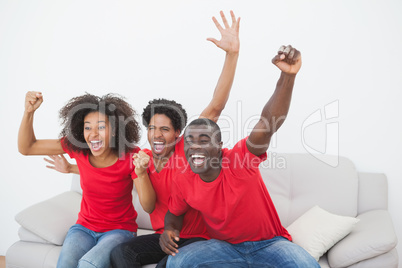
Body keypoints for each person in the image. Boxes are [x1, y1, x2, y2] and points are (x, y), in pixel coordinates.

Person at [46, 10, 241, 268]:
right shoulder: (142, 158)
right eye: (152, 128)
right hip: (162, 236)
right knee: (122, 255)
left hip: (195, 238)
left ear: (177, 134)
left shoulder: (186, 149)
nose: (156, 135)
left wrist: (232, 55)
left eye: (164, 129)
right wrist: (71, 167)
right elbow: (109, 170)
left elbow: (215, 107)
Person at [159, 45, 321, 267]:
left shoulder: (239, 160)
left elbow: (267, 123)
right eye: (189, 141)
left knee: (307, 265)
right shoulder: (183, 178)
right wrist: (170, 230)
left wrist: (287, 76)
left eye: (204, 140)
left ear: (219, 146)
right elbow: (174, 214)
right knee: (177, 262)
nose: (194, 147)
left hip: (270, 244)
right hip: (223, 247)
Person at [18, 92, 156, 268]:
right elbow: (27, 147)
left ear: (114, 130)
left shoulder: (131, 156)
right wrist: (28, 112)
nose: (93, 134)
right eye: (87, 127)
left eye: (101, 127)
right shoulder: (78, 148)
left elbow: (149, 206)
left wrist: (142, 174)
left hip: (119, 231)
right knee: (65, 264)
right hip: (84, 228)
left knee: (88, 264)